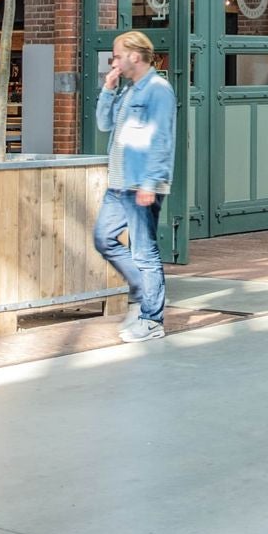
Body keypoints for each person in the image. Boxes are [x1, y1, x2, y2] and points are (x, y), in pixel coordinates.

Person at [94, 30, 177, 343]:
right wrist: (107, 89)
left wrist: (150, 182)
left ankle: (152, 319)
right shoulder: (128, 91)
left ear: (134, 55)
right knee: (104, 238)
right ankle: (145, 293)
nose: (113, 61)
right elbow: (104, 124)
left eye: (116, 55)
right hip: (118, 183)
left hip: (140, 182)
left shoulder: (158, 89)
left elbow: (161, 139)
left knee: (145, 253)